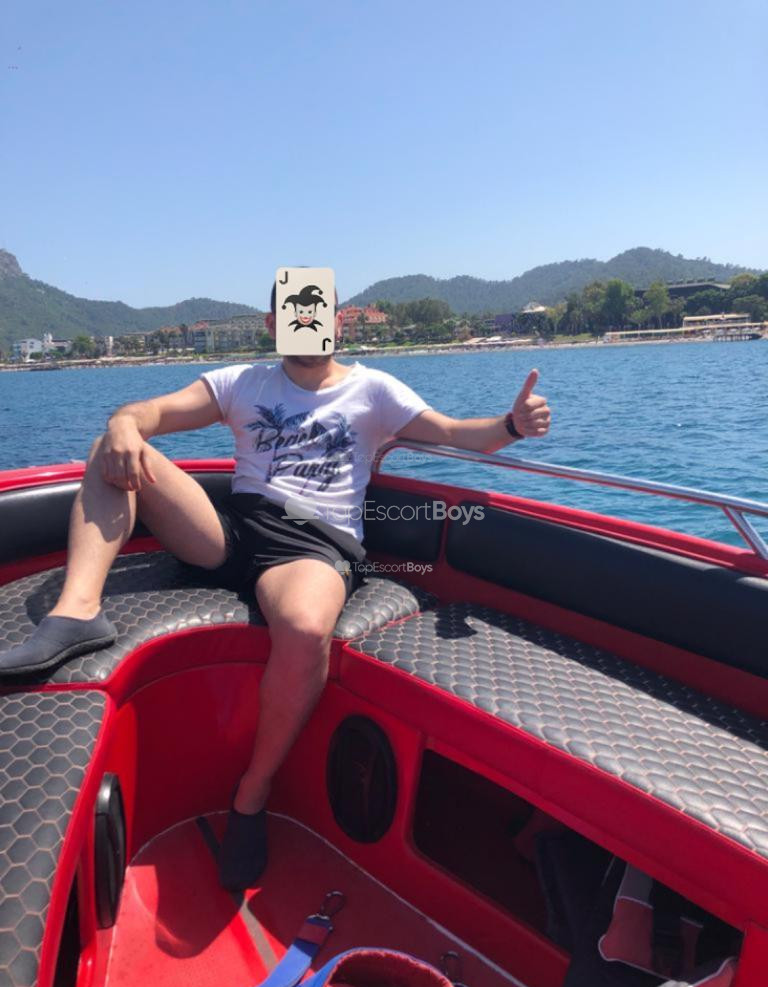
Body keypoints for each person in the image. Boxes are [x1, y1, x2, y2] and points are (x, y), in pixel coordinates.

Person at [0, 284, 551, 890]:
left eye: (319, 313)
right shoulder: (243, 383)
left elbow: (455, 433)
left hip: (312, 544)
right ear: (274, 323)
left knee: (306, 628)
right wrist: (124, 424)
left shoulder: (373, 389)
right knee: (113, 448)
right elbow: (148, 413)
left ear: (337, 321)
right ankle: (76, 612)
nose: (308, 322)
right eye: (295, 313)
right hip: (233, 531)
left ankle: (252, 793)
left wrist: (512, 424)